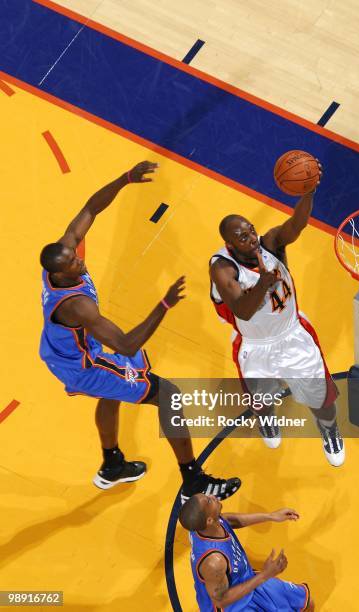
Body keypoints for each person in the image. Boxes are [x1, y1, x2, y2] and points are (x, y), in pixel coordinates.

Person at [39, 161, 241, 502]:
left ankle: (112, 465)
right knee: (170, 396)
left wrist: (124, 179)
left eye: (76, 256)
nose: (80, 261)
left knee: (115, 389)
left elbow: (90, 207)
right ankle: (193, 479)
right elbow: (126, 341)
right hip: (82, 364)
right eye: (74, 263)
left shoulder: (61, 262)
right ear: (61, 274)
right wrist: (162, 306)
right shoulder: (76, 306)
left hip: (73, 348)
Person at [209, 171, 344, 466]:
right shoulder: (222, 268)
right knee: (262, 400)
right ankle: (267, 421)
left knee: (321, 398)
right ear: (230, 244)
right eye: (242, 237)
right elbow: (242, 310)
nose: (251, 238)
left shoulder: (270, 245)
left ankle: (330, 430)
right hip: (255, 346)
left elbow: (296, 225)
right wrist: (264, 283)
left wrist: (307, 192)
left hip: (293, 335)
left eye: (251, 230)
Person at [179, 494, 314, 611]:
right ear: (209, 520)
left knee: (306, 602)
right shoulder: (214, 562)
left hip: (247, 580)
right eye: (209, 501)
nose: (213, 497)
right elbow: (220, 600)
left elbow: (228, 520)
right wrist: (265, 575)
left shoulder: (205, 525)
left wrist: (271, 516)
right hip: (234, 606)